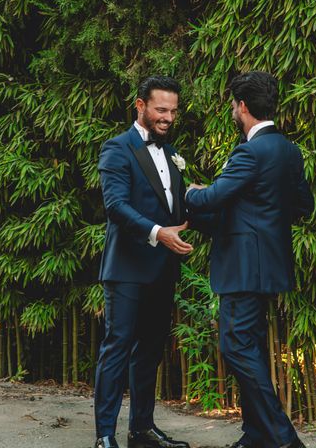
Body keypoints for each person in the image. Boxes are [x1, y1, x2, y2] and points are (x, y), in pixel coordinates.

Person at [185, 71, 314, 448]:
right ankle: (257, 433)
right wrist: (262, 220)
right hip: (268, 264)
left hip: (244, 267)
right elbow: (303, 205)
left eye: (231, 104)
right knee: (250, 346)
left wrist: (191, 190)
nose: (231, 110)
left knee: (235, 347)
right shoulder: (289, 149)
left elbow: (211, 199)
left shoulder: (251, 151)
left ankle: (283, 438)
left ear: (242, 106)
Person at [95, 76, 193, 448]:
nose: (168, 117)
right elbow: (116, 206)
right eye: (161, 109)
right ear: (140, 106)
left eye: (173, 111)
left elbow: (176, 205)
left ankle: (142, 430)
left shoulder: (172, 153)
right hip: (126, 268)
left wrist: (200, 200)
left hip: (163, 268)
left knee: (150, 350)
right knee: (116, 348)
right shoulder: (116, 149)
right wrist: (158, 232)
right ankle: (105, 435)